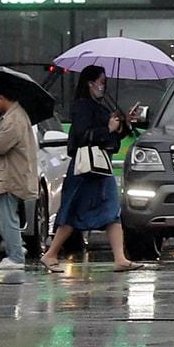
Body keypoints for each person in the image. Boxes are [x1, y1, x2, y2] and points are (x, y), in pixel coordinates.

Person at [40, 65, 144, 273]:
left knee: (112, 211)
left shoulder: (100, 106)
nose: (103, 87)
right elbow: (80, 135)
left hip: (100, 168)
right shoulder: (82, 106)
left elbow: (112, 138)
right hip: (85, 170)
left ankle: (120, 258)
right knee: (72, 212)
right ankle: (50, 254)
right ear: (90, 83)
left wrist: (125, 124)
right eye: (101, 82)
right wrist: (108, 128)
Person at [0, 86, 39, 269]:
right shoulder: (12, 117)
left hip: (10, 175)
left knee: (6, 214)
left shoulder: (14, 119)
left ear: (1, 98)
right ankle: (16, 246)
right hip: (8, 174)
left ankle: (16, 257)